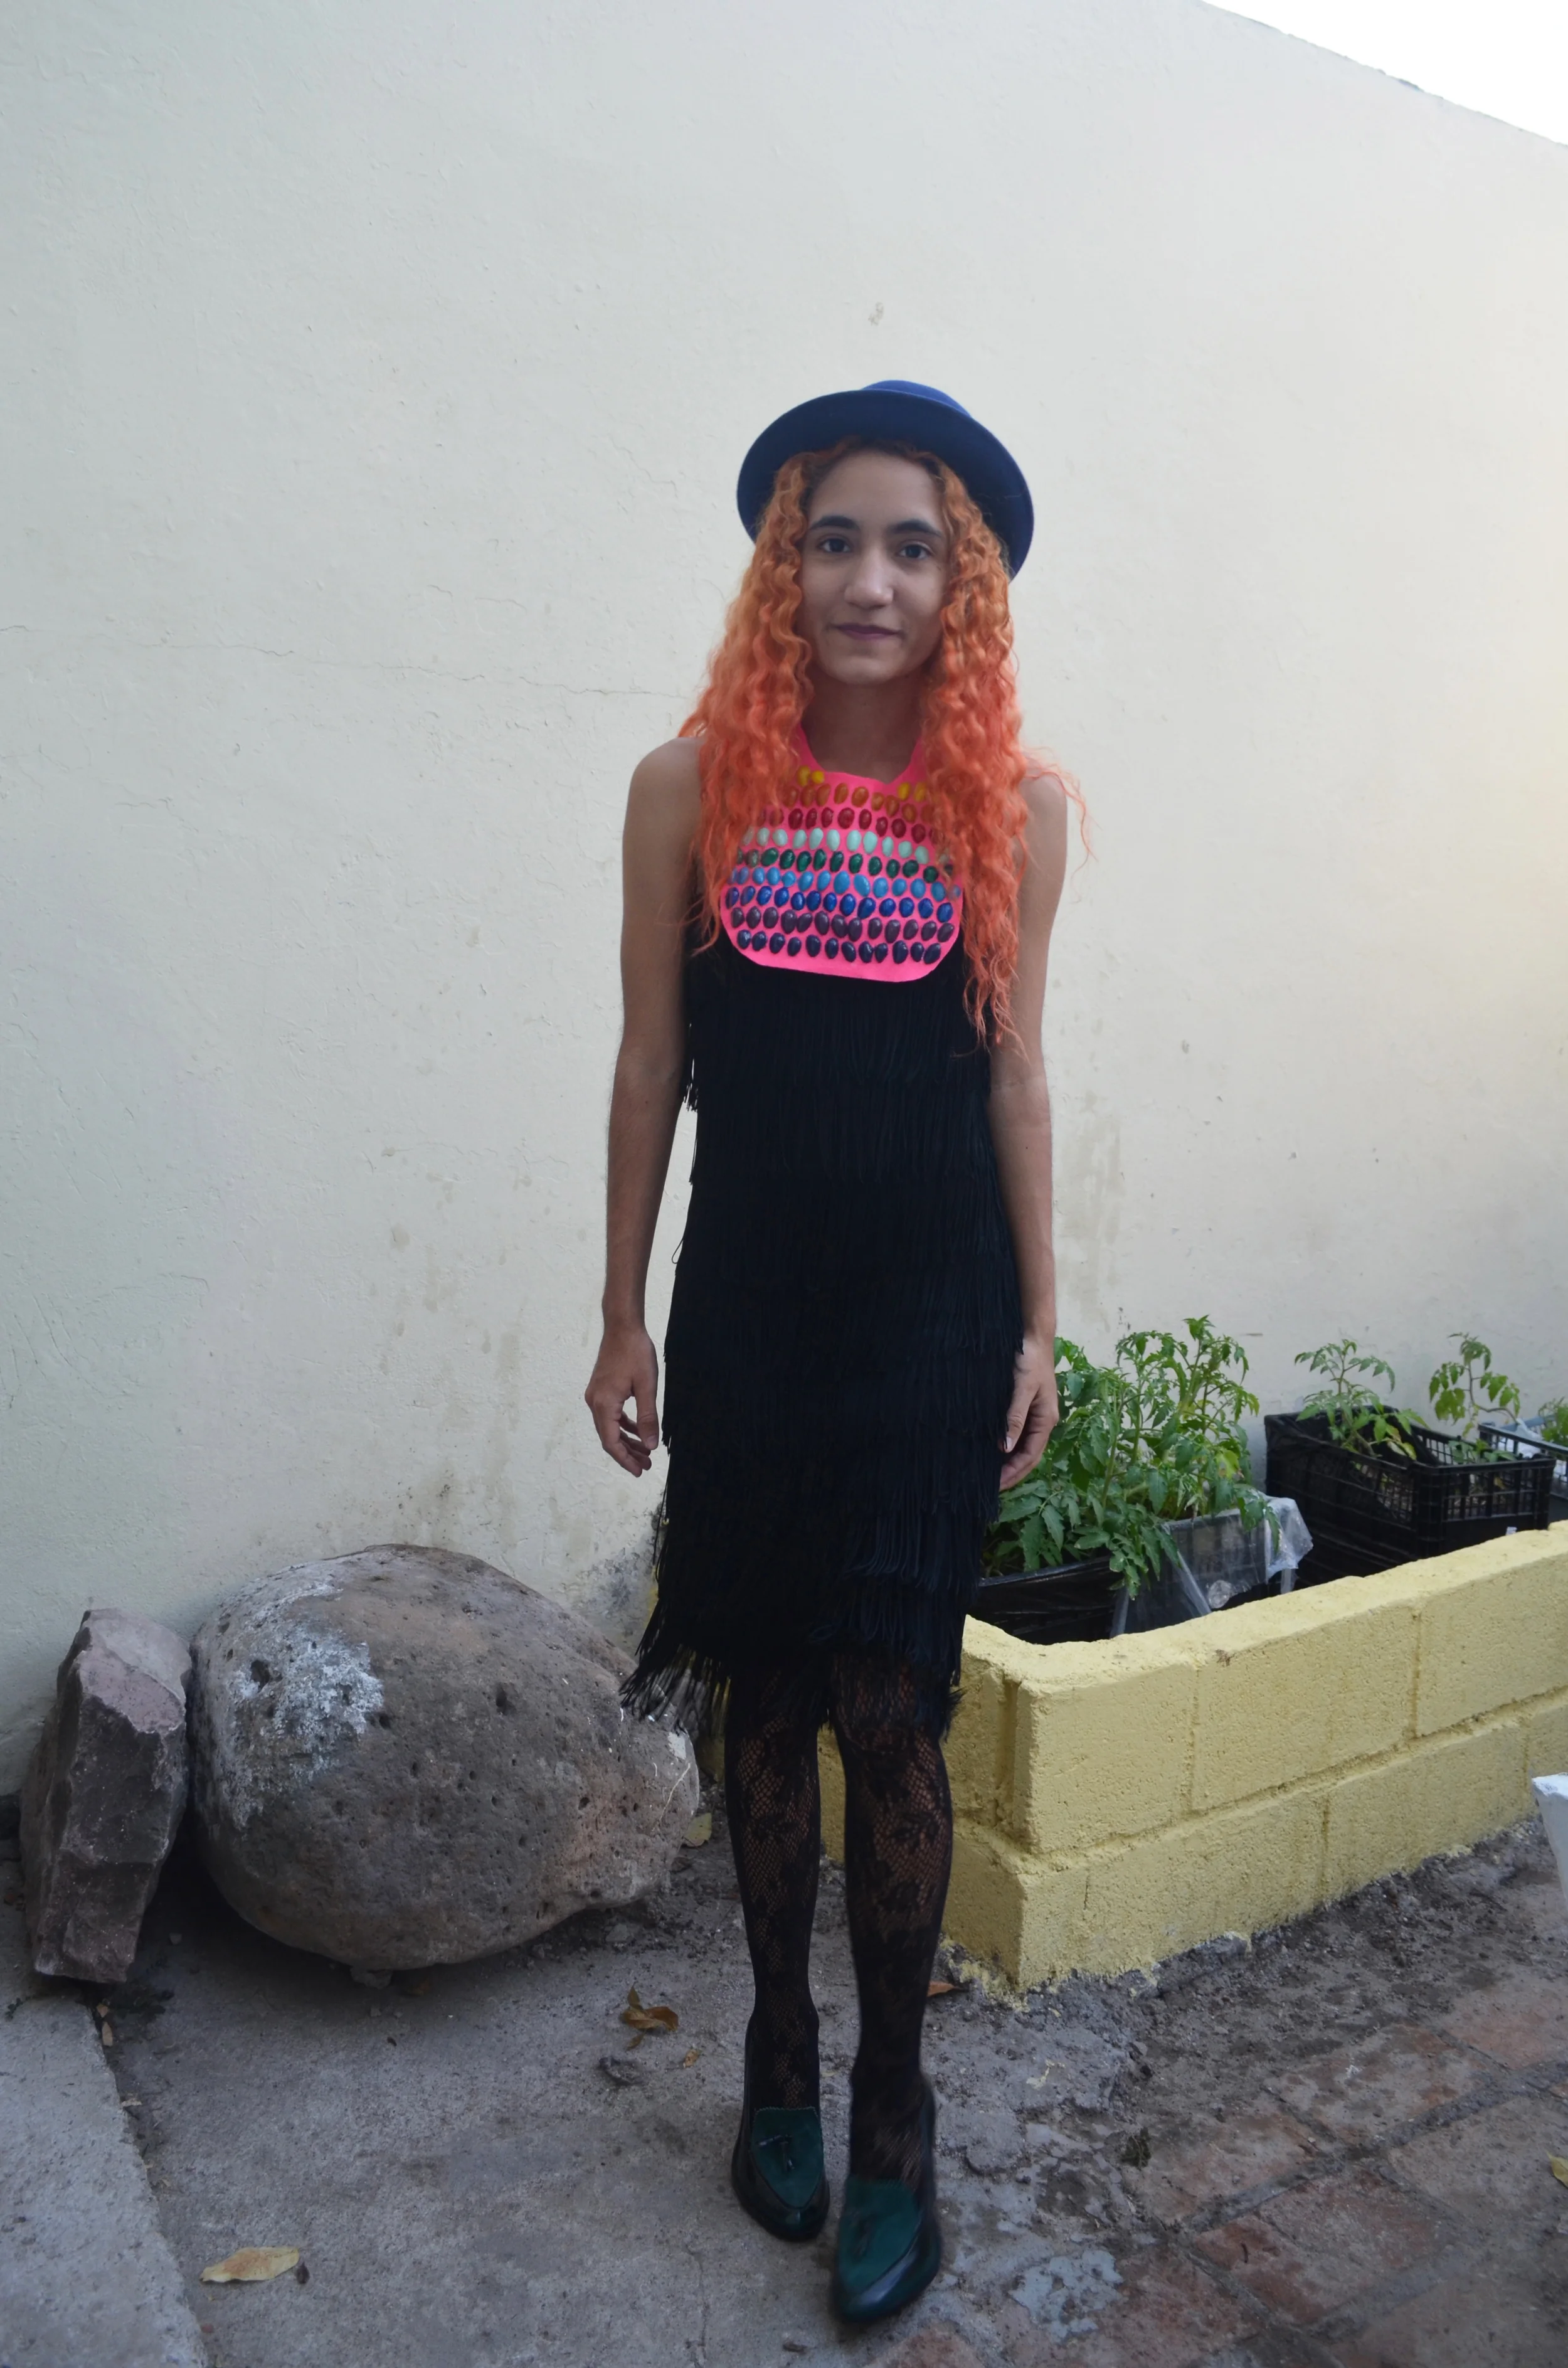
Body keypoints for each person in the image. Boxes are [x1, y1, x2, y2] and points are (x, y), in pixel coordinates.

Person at [585, 381, 1068, 2323]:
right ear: (783, 571)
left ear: (964, 590)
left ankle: (892, 2113)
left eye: (913, 547)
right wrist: (619, 1307)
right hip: (753, 1305)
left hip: (932, 1311)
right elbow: (650, 1062)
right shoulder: (686, 787)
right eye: (836, 540)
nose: (872, 580)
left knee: (890, 1707)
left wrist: (1041, 1319)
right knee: (765, 1689)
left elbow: (1016, 1075)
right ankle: (775, 2053)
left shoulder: (1014, 809)